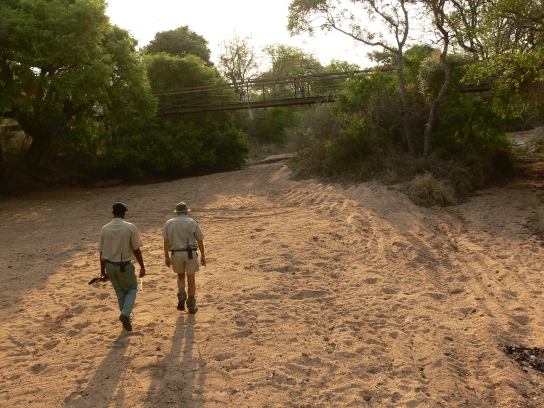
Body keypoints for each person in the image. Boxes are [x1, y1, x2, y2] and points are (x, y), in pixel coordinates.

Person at [98, 202, 146, 332]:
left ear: (113, 213)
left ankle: (127, 318)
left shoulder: (105, 229)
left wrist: (102, 271)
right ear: (124, 213)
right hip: (124, 265)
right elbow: (136, 249)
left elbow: (101, 252)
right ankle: (125, 314)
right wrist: (142, 266)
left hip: (109, 265)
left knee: (120, 293)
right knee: (132, 289)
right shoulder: (129, 227)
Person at [162, 202, 206, 314]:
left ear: (177, 212)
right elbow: (200, 241)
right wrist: (203, 255)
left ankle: (181, 293)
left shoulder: (169, 223)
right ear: (186, 212)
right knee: (191, 279)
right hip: (190, 253)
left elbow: (166, 241)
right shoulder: (192, 222)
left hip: (176, 253)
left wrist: (166, 256)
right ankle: (191, 305)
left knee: (180, 276)